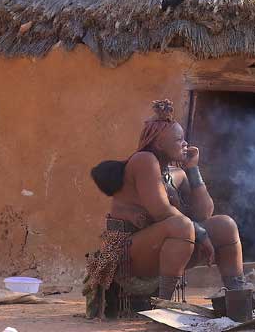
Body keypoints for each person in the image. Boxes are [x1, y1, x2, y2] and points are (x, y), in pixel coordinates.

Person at [85, 99, 245, 317]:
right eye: (179, 139)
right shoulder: (144, 160)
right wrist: (201, 233)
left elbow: (204, 212)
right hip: (126, 255)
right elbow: (161, 211)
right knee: (180, 225)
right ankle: (165, 308)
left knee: (225, 225)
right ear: (159, 144)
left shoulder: (175, 172)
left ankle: (239, 299)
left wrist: (193, 170)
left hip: (161, 246)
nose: (185, 144)